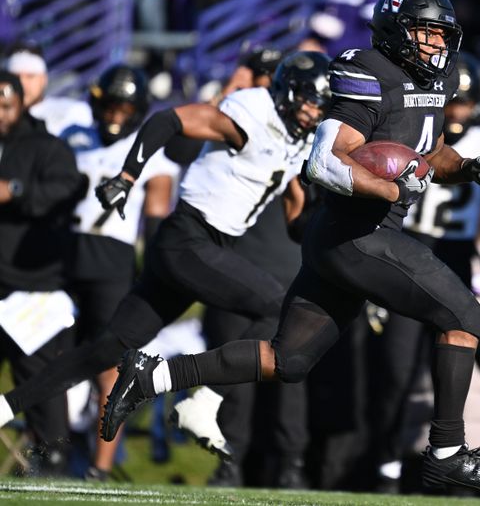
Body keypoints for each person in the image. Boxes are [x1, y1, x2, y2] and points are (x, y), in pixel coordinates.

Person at [101, 0, 480, 493]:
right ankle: (447, 451)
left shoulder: (439, 79)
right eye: (424, 33)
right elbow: (324, 162)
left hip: (348, 237)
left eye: (440, 35)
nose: (435, 45)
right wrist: (388, 187)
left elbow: (429, 153)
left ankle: (151, 377)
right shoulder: (365, 71)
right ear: (395, 32)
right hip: (357, 233)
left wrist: (470, 166)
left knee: (289, 360)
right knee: (467, 316)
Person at [0, 51, 332, 442]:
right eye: (310, 100)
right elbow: (169, 119)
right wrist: (127, 176)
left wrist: (320, 223)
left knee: (104, 349)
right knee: (278, 307)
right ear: (288, 92)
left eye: (321, 105)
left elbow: (295, 219)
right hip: (188, 239)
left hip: (202, 246)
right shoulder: (252, 114)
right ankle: (201, 399)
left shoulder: (300, 138)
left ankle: (5, 406)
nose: (314, 112)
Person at [370, 51, 480, 493]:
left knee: (450, 368)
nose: (455, 113)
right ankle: (385, 465)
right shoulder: (417, 128)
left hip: (453, 257)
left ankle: (442, 463)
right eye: (451, 102)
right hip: (403, 249)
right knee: (396, 371)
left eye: (464, 104)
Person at [59, 64, 179, 480]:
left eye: (124, 108)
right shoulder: (72, 139)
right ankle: (53, 449)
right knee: (47, 356)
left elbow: (157, 214)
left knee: (109, 366)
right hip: (64, 254)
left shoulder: (153, 154)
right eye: (109, 106)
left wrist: (154, 270)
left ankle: (101, 464)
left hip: (113, 261)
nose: (114, 116)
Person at [0, 70, 86, 473]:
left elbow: (67, 191)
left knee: (40, 377)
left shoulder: (48, 147)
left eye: (5, 105)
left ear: (22, 104)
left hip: (31, 285)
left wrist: (15, 191)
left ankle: (52, 454)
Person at [4, 42, 93, 136]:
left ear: (43, 79)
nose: (22, 83)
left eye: (30, 76)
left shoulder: (73, 112)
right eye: (16, 77)